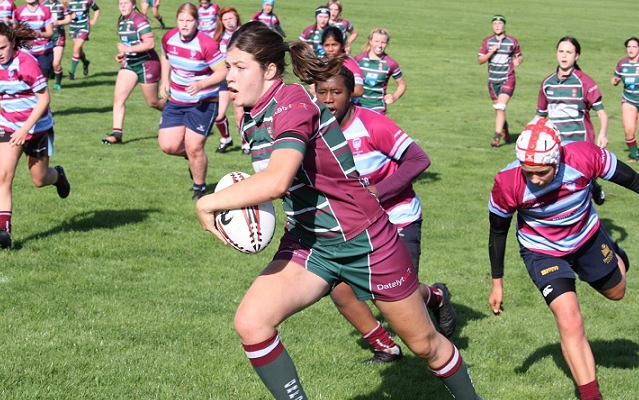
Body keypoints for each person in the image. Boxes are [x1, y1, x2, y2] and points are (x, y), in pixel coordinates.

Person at [196, 21, 482, 400]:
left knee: (426, 345)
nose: (228, 77)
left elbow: (278, 180)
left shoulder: (293, 104)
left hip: (364, 241)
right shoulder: (250, 113)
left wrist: (208, 201)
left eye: (238, 67)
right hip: (309, 242)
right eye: (227, 66)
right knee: (251, 322)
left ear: (268, 71)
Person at [488, 117, 639, 400]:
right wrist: (497, 283)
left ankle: (613, 252)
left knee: (617, 292)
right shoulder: (508, 182)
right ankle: (590, 395)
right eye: (527, 171)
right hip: (542, 251)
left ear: (557, 159)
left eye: (541, 172)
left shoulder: (585, 156)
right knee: (569, 318)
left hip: (588, 237)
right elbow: (497, 233)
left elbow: (634, 181)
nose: (534, 179)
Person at [316, 66, 457, 364]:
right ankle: (385, 347)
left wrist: (378, 192)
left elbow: (419, 159)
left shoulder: (372, 124)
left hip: (398, 217)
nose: (329, 100)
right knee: (339, 289)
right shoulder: (314, 130)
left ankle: (436, 297)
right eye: (322, 92)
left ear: (351, 94)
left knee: (394, 294)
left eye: (337, 92)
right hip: (355, 226)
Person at [0, 22, 71, 250]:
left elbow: (44, 99)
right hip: (9, 125)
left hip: (38, 128)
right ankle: (4, 231)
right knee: (3, 176)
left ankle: (59, 176)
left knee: (39, 180)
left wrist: (25, 130)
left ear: (12, 43)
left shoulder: (26, 63)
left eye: (3, 48)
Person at [159, 2, 227, 199]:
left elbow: (222, 72)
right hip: (176, 100)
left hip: (203, 102)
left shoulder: (206, 44)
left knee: (194, 146)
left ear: (197, 22)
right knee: (168, 146)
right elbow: (165, 56)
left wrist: (201, 84)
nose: (185, 24)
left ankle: (199, 188)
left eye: (189, 20)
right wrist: (165, 80)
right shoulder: (169, 37)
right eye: (181, 20)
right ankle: (194, 161)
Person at [537, 37, 608, 206]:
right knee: (559, 187)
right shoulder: (548, 83)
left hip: (580, 143)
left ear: (576, 56)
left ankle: (591, 192)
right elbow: (540, 115)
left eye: (569, 52)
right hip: (557, 144)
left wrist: (603, 133)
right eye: (561, 51)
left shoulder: (585, 82)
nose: (564, 56)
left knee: (579, 187)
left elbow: (602, 113)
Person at [102, 0, 165, 144]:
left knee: (153, 102)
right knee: (118, 98)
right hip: (130, 63)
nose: (122, 6)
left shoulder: (139, 19)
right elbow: (131, 44)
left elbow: (150, 43)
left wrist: (127, 50)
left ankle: (175, 112)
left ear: (134, 5)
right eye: (120, 3)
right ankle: (116, 135)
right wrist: (123, 54)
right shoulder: (122, 21)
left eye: (126, 3)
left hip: (147, 63)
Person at [477, 14, 522, 147]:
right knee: (498, 110)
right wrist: (491, 52)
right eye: (495, 24)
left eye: (499, 24)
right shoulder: (487, 41)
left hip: (507, 78)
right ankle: (505, 130)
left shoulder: (512, 41)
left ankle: (496, 138)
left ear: (504, 25)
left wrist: (518, 60)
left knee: (501, 107)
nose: (497, 26)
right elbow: (480, 60)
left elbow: (520, 55)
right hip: (492, 80)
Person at [212, 6, 245, 154]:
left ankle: (246, 143)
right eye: (225, 19)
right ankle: (226, 138)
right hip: (224, 79)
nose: (228, 22)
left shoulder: (244, 34)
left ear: (237, 18)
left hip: (240, 79)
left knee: (240, 114)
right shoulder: (218, 37)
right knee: (218, 115)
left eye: (231, 18)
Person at [354, 27, 405, 115]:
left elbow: (402, 84)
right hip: (358, 105)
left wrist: (394, 97)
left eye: (383, 42)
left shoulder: (390, 63)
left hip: (377, 107)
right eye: (376, 41)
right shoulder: (359, 59)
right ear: (370, 41)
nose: (380, 45)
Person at [13, 0, 55, 79]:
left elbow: (50, 33)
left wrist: (38, 34)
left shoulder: (45, 10)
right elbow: (15, 32)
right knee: (27, 79)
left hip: (43, 51)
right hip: (26, 52)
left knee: (43, 81)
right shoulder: (18, 12)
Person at [319, 26, 363, 98]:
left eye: (334, 45)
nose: (330, 49)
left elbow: (359, 90)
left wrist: (334, 93)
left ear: (342, 45)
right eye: (326, 45)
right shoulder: (321, 62)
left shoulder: (350, 64)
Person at [66, 0, 100, 80]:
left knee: (76, 48)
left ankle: (71, 74)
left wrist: (94, 20)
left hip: (84, 27)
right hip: (73, 28)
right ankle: (85, 62)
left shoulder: (87, 1)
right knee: (78, 50)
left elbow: (96, 9)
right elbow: (65, 11)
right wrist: (70, 14)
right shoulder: (68, 1)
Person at [44, 0, 72, 90]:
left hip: (58, 35)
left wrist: (59, 22)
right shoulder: (43, 4)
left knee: (56, 63)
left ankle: (58, 83)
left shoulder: (62, 3)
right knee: (46, 64)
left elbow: (68, 19)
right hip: (46, 36)